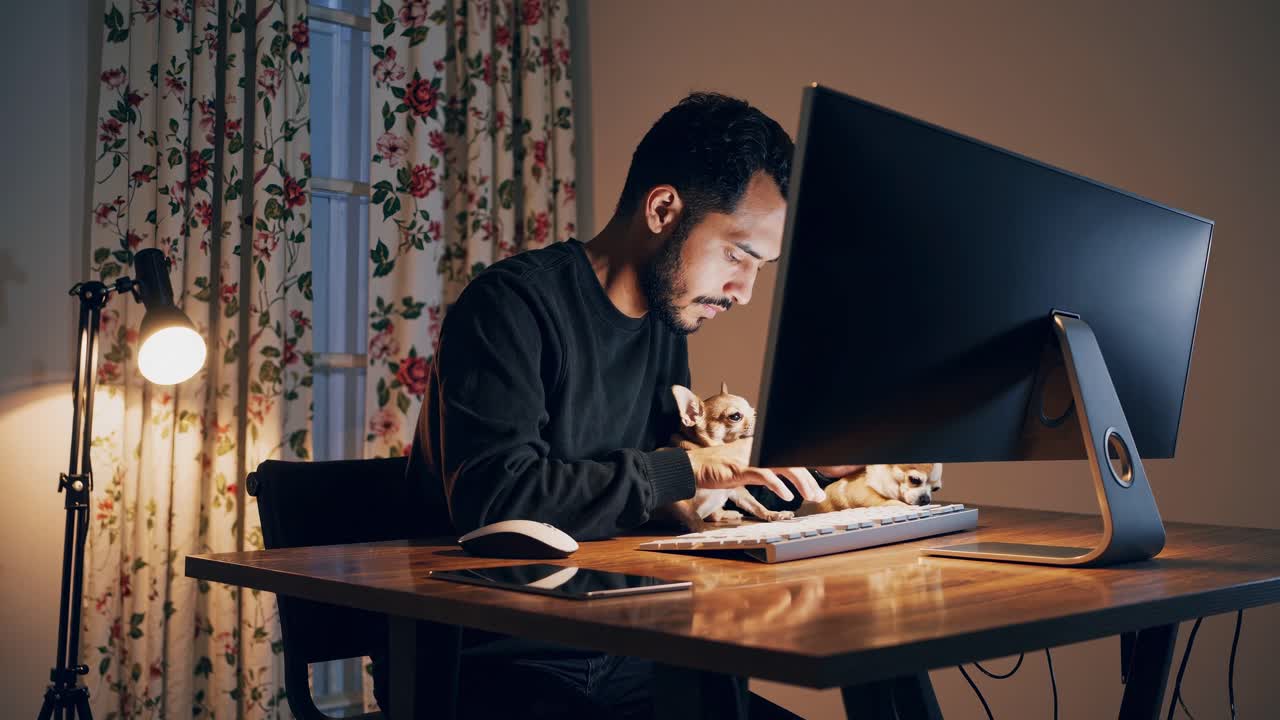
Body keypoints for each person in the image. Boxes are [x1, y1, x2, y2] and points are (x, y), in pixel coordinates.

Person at [376, 91, 859, 719]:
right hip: (498, 664)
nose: (743, 292)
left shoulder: (666, 324)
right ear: (663, 209)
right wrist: (681, 471)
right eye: (738, 255)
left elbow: (674, 496)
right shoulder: (509, 308)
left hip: (631, 650)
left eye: (759, 267)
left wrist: (819, 471)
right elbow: (495, 500)